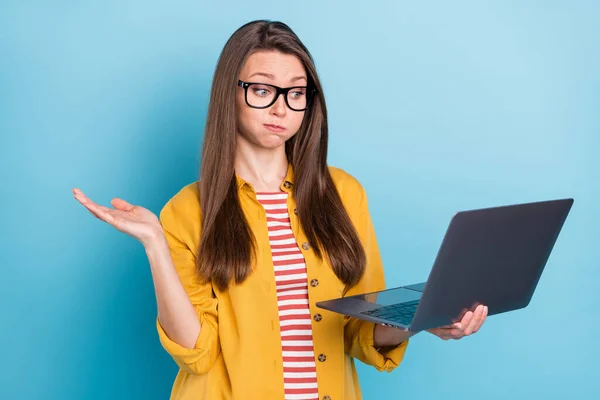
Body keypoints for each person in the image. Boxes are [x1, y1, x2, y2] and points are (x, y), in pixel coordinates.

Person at [73, 19, 487, 400]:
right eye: (262, 89)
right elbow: (195, 352)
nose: (281, 107)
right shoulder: (186, 210)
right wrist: (155, 246)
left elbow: (361, 330)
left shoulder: (345, 194)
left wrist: (419, 321)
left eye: (296, 92)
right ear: (229, 93)